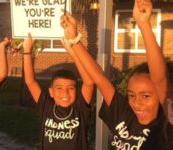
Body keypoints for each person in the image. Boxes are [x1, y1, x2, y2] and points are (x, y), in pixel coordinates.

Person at [61, 0, 173, 149]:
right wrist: (74, 39)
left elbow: (160, 80)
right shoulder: (123, 113)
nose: (137, 103)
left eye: (146, 96)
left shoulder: (165, 126)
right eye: (131, 95)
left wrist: (144, 25)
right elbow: (100, 79)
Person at [23, 20, 94, 149]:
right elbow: (30, 81)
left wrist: (72, 52)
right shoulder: (47, 106)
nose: (65, 93)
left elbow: (89, 82)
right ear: (51, 91)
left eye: (71, 88)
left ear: (76, 91)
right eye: (59, 88)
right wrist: (27, 50)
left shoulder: (80, 108)